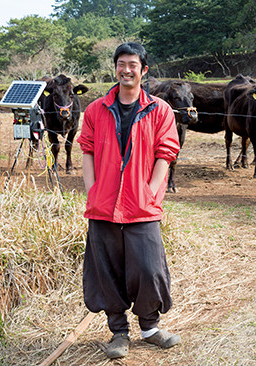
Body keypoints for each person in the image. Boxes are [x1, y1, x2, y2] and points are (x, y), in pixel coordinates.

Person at [77, 42, 181, 359]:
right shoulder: (96, 109)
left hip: (142, 206)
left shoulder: (159, 110)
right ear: (116, 67)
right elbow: (87, 151)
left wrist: (150, 190)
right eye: (121, 63)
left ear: (143, 69)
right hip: (103, 205)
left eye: (132, 64)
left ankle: (149, 328)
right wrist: (92, 189)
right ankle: (118, 332)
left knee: (149, 270)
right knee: (107, 271)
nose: (126, 69)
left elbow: (166, 153)